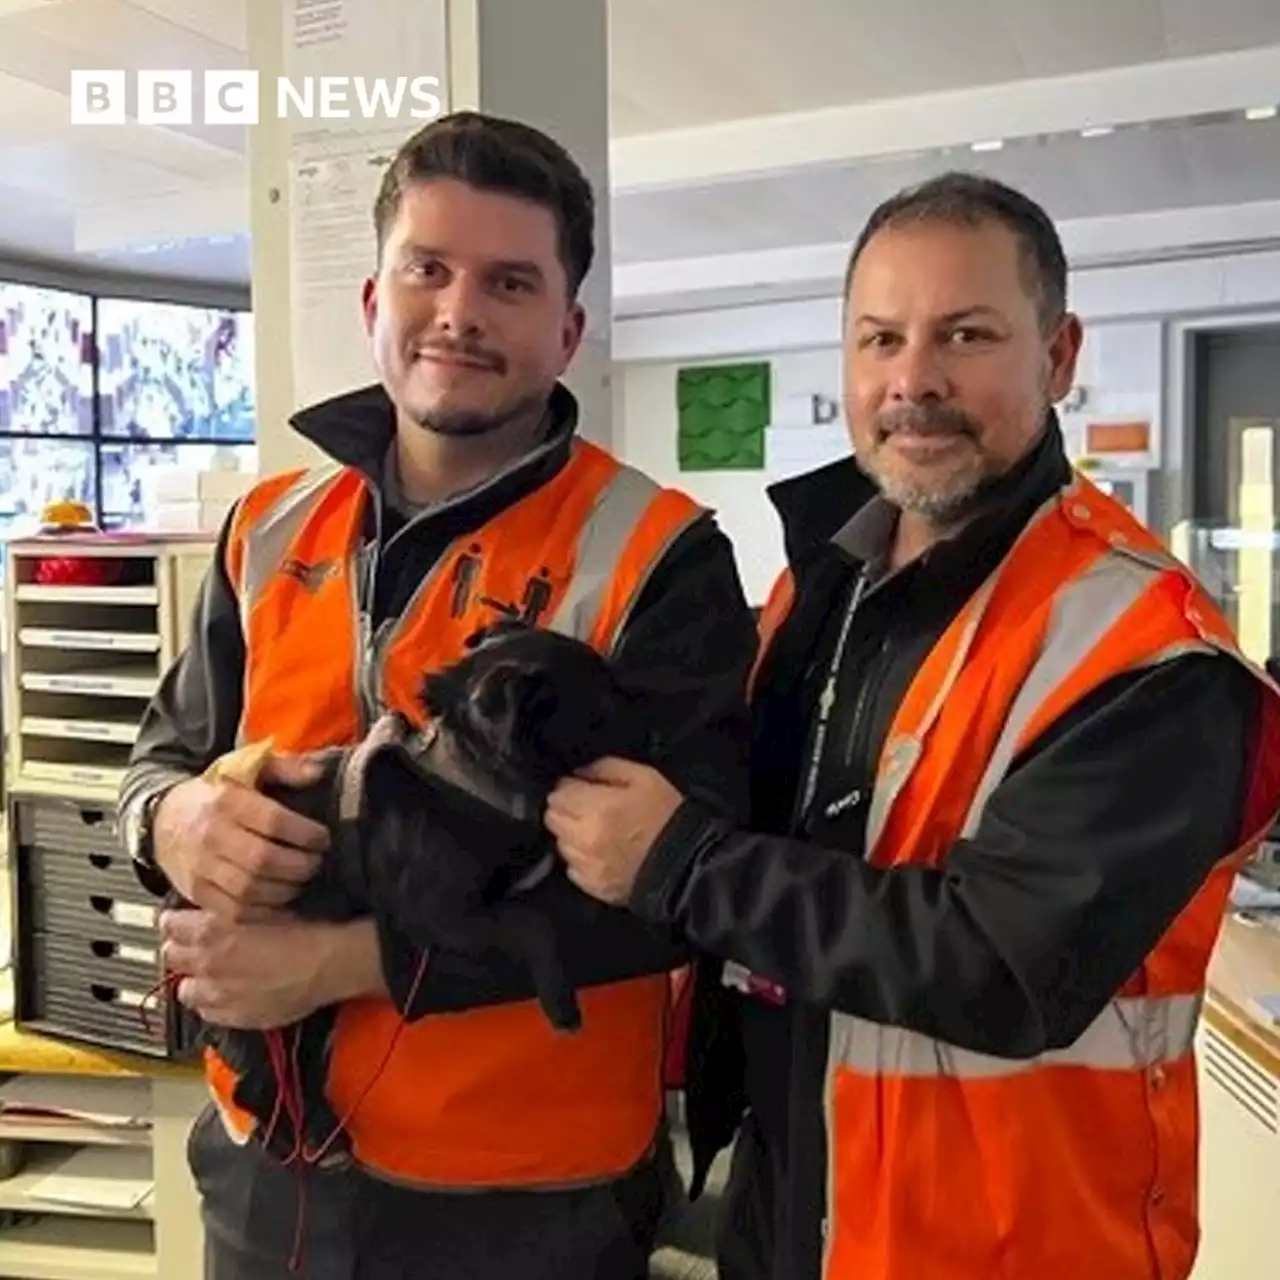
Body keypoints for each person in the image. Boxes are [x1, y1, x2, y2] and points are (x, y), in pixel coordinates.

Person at [545, 171, 1280, 1280]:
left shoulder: (1147, 652)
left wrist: (679, 862)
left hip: (1013, 1244)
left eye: (964, 335)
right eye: (878, 339)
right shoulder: (821, 590)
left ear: (1058, 354)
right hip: (797, 1207)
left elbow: (998, 961)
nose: (912, 381)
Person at [117, 110, 756, 1280]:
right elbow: (158, 760)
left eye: (508, 282)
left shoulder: (655, 556)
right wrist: (171, 820)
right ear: (374, 300)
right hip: (269, 1172)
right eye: (428, 268)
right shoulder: (266, 530)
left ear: (565, 331)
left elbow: (683, 893)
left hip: (525, 1202)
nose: (458, 311)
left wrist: (346, 963)